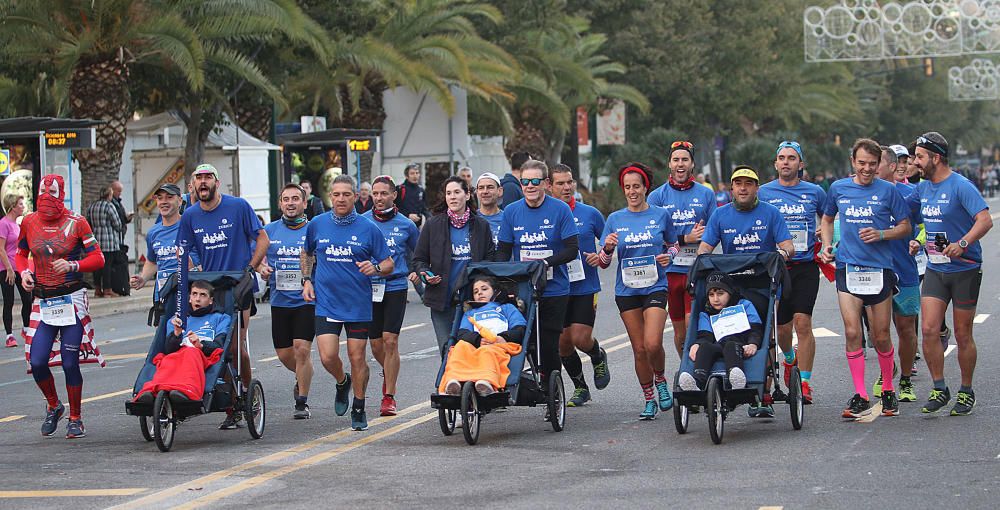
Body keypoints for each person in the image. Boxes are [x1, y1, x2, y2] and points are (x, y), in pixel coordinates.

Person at [819, 138, 912, 419]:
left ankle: (888, 388)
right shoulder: (838, 188)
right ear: (853, 162)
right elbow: (827, 218)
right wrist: (826, 245)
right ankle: (860, 394)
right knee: (851, 332)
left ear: (879, 164)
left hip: (879, 269)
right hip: (848, 266)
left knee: (880, 334)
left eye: (872, 164)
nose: (867, 169)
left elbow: (906, 226)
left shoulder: (888, 190)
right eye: (862, 164)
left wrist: (882, 234)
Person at [176, 163, 268, 430]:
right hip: (209, 289)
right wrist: (189, 274)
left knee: (234, 347)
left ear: (217, 182)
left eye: (208, 177)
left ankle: (247, 397)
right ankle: (225, 400)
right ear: (193, 185)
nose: (203, 182)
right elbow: (183, 251)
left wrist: (249, 269)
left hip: (237, 286)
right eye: (199, 178)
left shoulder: (238, 206)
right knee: (207, 344)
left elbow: (263, 239)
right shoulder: (191, 215)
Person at [698, 165, 794, 418]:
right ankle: (716, 371)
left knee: (761, 330)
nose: (743, 188)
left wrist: (781, 254)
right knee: (713, 315)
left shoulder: (771, 213)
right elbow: (704, 249)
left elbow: (788, 246)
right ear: (731, 189)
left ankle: (763, 393)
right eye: (738, 184)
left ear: (756, 188)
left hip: (761, 285)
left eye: (748, 184)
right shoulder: (720, 215)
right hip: (732, 285)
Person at [301, 174, 395, 431]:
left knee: (357, 357)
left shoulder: (368, 228)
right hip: (327, 303)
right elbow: (307, 252)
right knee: (328, 356)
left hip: (358, 305)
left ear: (355, 196)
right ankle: (342, 382)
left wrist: (375, 268)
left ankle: (359, 406)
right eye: (336, 194)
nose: (341, 198)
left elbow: (389, 263)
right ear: (330, 197)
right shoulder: (317, 224)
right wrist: (307, 280)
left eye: (346, 194)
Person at [908, 132, 992, 416]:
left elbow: (985, 220)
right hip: (935, 268)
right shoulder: (922, 188)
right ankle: (939, 388)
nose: (916, 162)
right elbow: (918, 221)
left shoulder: (960, 186)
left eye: (920, 156)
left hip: (965, 268)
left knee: (962, 333)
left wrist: (963, 244)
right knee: (930, 329)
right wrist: (917, 240)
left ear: (936, 157)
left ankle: (966, 391)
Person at [18, 175, 106, 438]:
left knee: (70, 362)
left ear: (62, 193)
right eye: (43, 191)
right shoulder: (29, 221)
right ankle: (54, 405)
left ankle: (76, 418)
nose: (47, 195)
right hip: (43, 301)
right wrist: (24, 273)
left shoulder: (77, 222)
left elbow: (98, 257)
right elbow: (21, 254)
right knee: (37, 360)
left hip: (71, 299)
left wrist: (73, 265)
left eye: (52, 191)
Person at [598, 163, 676, 419]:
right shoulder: (615, 219)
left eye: (637, 186)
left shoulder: (661, 215)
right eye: (628, 187)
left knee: (653, 343)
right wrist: (608, 249)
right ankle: (649, 398)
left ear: (645, 188)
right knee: (639, 349)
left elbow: (673, 245)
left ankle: (661, 380)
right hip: (627, 290)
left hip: (655, 285)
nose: (632, 191)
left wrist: (668, 256)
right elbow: (604, 262)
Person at [497, 160, 579, 393]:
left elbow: (571, 249)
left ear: (545, 183)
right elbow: (503, 250)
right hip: (522, 289)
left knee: (549, 342)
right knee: (526, 341)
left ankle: (552, 391)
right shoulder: (512, 211)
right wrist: (504, 279)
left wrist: (545, 263)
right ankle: (527, 382)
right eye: (525, 182)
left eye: (535, 181)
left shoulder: (560, 209)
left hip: (555, 288)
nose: (530, 186)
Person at [758, 141, 827, 404]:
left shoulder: (815, 192)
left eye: (792, 158)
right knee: (782, 330)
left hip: (805, 267)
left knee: (803, 323)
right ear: (775, 163)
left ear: (801, 164)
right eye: (782, 158)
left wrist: (825, 232)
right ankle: (789, 359)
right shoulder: (763, 192)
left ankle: (805, 382)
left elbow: (830, 217)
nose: (786, 162)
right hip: (775, 268)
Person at [412, 176, 496, 356]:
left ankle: (473, 384)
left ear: (467, 195)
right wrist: (425, 274)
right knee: (448, 351)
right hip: (442, 299)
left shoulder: (481, 225)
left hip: (473, 301)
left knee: (473, 350)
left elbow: (490, 261)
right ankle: (450, 384)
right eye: (448, 193)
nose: (452, 197)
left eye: (457, 192)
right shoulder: (434, 225)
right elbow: (419, 259)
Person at [648, 141, 716, 359]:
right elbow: (652, 237)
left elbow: (716, 229)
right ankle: (687, 367)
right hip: (669, 272)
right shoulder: (657, 197)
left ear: (692, 164)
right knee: (679, 332)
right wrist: (686, 239)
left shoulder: (706, 195)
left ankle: (697, 368)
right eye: (676, 159)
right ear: (669, 163)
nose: (680, 164)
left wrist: (704, 239)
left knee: (692, 323)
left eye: (685, 159)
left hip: (696, 269)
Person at [550, 164, 610, 407]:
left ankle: (597, 355)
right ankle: (581, 388)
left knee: (580, 338)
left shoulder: (590, 214)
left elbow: (609, 241)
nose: (567, 187)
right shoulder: (547, 214)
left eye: (570, 182)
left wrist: (602, 253)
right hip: (556, 287)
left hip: (585, 286)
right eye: (561, 183)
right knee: (563, 343)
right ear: (549, 186)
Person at [363, 175, 419, 417]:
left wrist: (418, 270)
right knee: (375, 344)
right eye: (375, 193)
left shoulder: (407, 225)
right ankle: (388, 370)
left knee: (390, 340)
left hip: (395, 286)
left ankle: (389, 396)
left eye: (384, 193)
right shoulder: (362, 222)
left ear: (394, 195)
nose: (378, 198)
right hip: (368, 289)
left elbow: (419, 254)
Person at [259, 184, 315, 420]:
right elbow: (256, 256)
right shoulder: (268, 230)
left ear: (304, 203)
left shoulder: (314, 229)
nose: (290, 203)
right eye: (285, 199)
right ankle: (302, 375)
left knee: (302, 349)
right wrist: (262, 267)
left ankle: (301, 401)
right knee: (284, 354)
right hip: (280, 300)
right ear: (280, 204)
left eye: (295, 199)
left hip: (307, 299)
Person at [870, 146, 921, 404]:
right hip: (875, 272)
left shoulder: (910, 195)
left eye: (876, 163)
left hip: (906, 271)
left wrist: (919, 241)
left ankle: (905, 380)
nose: (870, 167)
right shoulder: (862, 195)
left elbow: (924, 226)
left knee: (906, 329)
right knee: (880, 331)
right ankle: (886, 372)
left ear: (890, 167)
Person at [133, 280, 228, 404]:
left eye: (202, 295)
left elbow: (219, 346)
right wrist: (177, 334)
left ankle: (186, 390)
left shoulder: (221, 318)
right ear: (189, 298)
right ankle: (152, 390)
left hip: (202, 355)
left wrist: (201, 345)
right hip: (178, 354)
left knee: (190, 353)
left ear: (211, 300)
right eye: (194, 294)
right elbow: (168, 350)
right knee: (166, 359)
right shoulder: (176, 319)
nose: (197, 299)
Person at [439, 275, 526, 396]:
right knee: (459, 347)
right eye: (476, 291)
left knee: (487, 351)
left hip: (499, 344)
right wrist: (478, 340)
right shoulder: (470, 313)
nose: (480, 293)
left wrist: (503, 338)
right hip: (476, 343)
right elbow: (462, 333)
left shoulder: (507, 308)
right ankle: (453, 380)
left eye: (484, 289)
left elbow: (519, 328)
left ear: (496, 291)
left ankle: (486, 381)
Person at [678, 272, 763, 391]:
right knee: (706, 347)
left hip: (741, 344)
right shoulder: (706, 312)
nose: (715, 299)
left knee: (730, 345)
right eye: (711, 295)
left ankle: (736, 380)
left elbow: (756, 329)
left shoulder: (744, 305)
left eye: (720, 294)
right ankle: (697, 383)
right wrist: (697, 344)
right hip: (718, 344)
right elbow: (705, 335)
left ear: (730, 293)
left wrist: (753, 343)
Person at [130, 184, 199, 302]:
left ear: (180, 200)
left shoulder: (192, 226)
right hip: (162, 297)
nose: (164, 202)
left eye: (169, 197)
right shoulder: (153, 232)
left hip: (189, 297)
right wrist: (143, 278)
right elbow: (152, 261)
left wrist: (193, 268)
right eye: (160, 198)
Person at [0, 194, 31, 348]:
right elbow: (1, 249)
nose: (22, 206)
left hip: (20, 268)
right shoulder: (3, 224)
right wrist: (9, 269)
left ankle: (26, 329)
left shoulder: (17, 224)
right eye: (20, 204)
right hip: (6, 269)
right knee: (9, 301)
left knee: (27, 298)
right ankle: (9, 335)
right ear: (12, 206)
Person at [84, 186, 123, 298]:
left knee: (97, 267)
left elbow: (88, 223)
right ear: (109, 195)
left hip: (95, 241)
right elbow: (117, 224)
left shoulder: (92, 206)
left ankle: (97, 289)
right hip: (109, 241)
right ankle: (107, 290)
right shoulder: (109, 206)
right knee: (107, 266)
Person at [476, 172, 504, 247]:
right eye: (481, 188)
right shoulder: (471, 219)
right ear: (477, 192)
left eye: (490, 187)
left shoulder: (507, 218)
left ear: (500, 191)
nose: (485, 191)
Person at [396, 163, 428, 228]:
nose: (415, 176)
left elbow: (424, 209)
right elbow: (394, 208)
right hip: (402, 226)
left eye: (417, 173)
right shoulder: (399, 189)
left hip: (418, 227)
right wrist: (408, 215)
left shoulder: (421, 190)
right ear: (406, 176)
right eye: (412, 173)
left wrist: (430, 218)